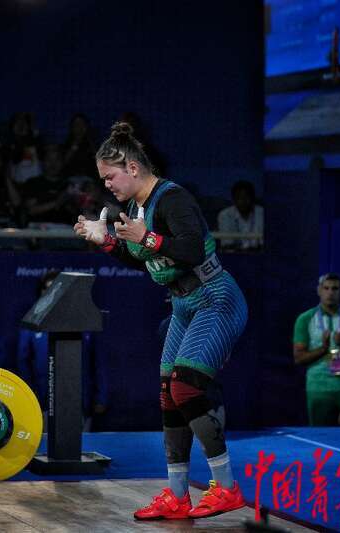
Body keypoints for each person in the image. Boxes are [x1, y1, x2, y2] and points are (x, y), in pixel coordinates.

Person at [74, 122, 248, 520]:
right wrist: (109, 243)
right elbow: (146, 260)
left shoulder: (173, 199)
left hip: (216, 298)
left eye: (110, 177)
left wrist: (146, 238)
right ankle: (176, 496)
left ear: (132, 168)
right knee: (169, 393)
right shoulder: (137, 209)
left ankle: (227, 488)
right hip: (184, 304)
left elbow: (187, 249)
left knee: (185, 388)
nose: (108, 186)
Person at [16, 271, 107, 431]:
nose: (52, 294)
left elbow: (98, 363)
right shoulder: (31, 324)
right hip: (41, 402)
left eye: (56, 290)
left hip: (78, 402)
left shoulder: (83, 322)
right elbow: (23, 362)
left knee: (79, 447)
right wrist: (31, 396)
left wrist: (101, 397)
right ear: (41, 292)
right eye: (47, 289)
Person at [293, 273, 340, 426]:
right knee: (320, 436)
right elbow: (299, 358)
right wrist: (323, 348)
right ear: (318, 290)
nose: (330, 292)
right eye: (326, 288)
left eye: (335, 288)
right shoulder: (305, 318)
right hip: (318, 388)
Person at [216, 180, 264, 251]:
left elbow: (263, 244)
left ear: (252, 198)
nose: (242, 201)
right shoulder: (225, 215)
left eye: (246, 197)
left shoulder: (261, 213)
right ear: (233, 199)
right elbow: (227, 245)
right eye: (239, 197)